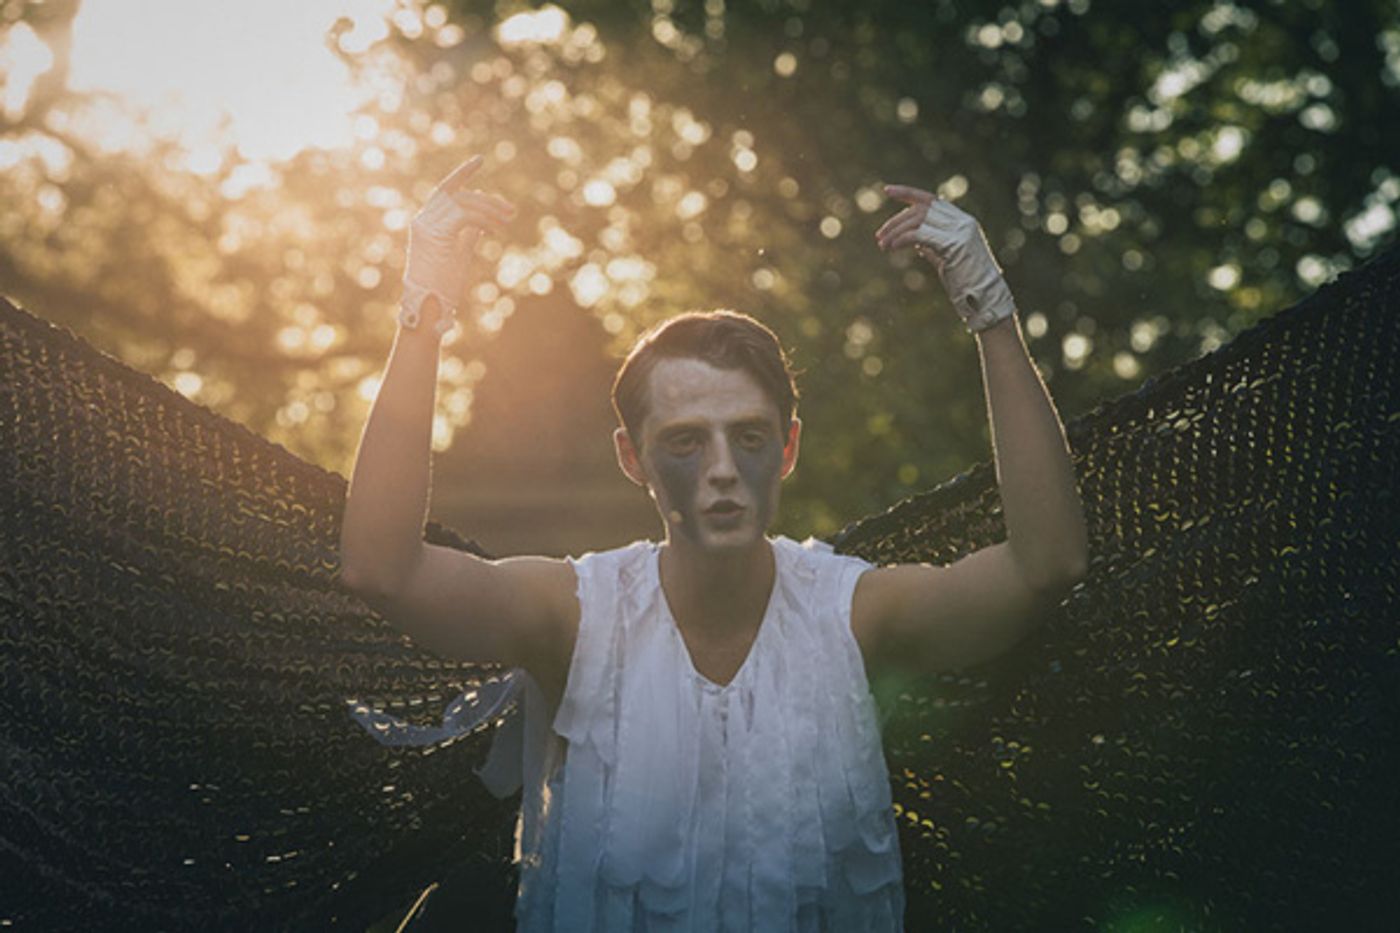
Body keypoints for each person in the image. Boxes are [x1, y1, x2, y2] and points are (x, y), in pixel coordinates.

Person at [338, 155, 1090, 931]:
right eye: (688, 441)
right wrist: (424, 308)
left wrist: (991, 313)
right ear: (633, 457)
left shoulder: (855, 612)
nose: (725, 470)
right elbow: (380, 569)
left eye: (751, 436)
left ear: (789, 449)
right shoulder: (575, 614)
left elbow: (1048, 564)